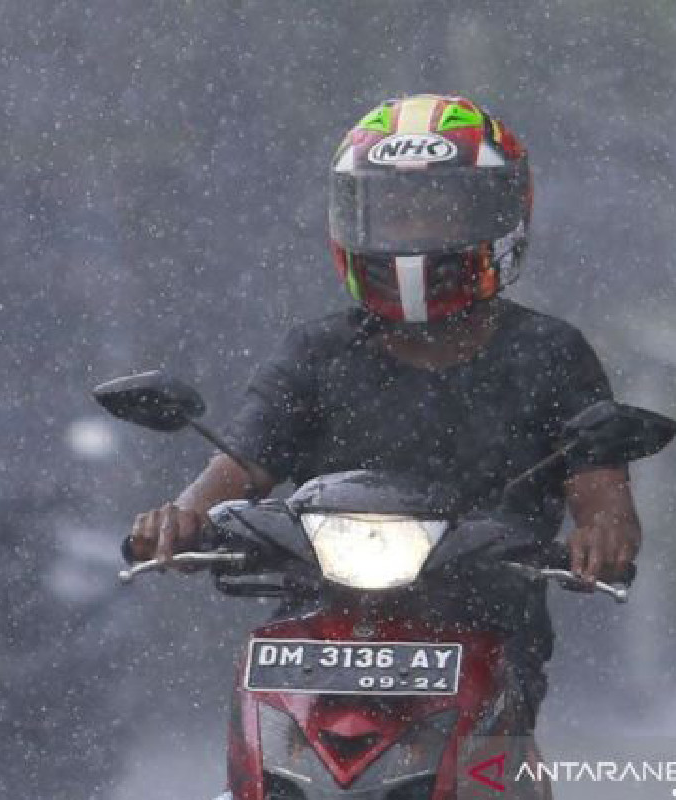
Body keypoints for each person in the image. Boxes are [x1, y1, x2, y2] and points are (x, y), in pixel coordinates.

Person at [126, 93, 642, 732]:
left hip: (484, 624)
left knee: (489, 767)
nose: (415, 235)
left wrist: (604, 534)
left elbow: (604, 497)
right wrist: (183, 516)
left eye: (438, 213)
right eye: (395, 214)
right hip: (312, 638)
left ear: (501, 217)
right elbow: (237, 467)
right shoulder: (315, 352)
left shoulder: (551, 354)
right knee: (254, 756)